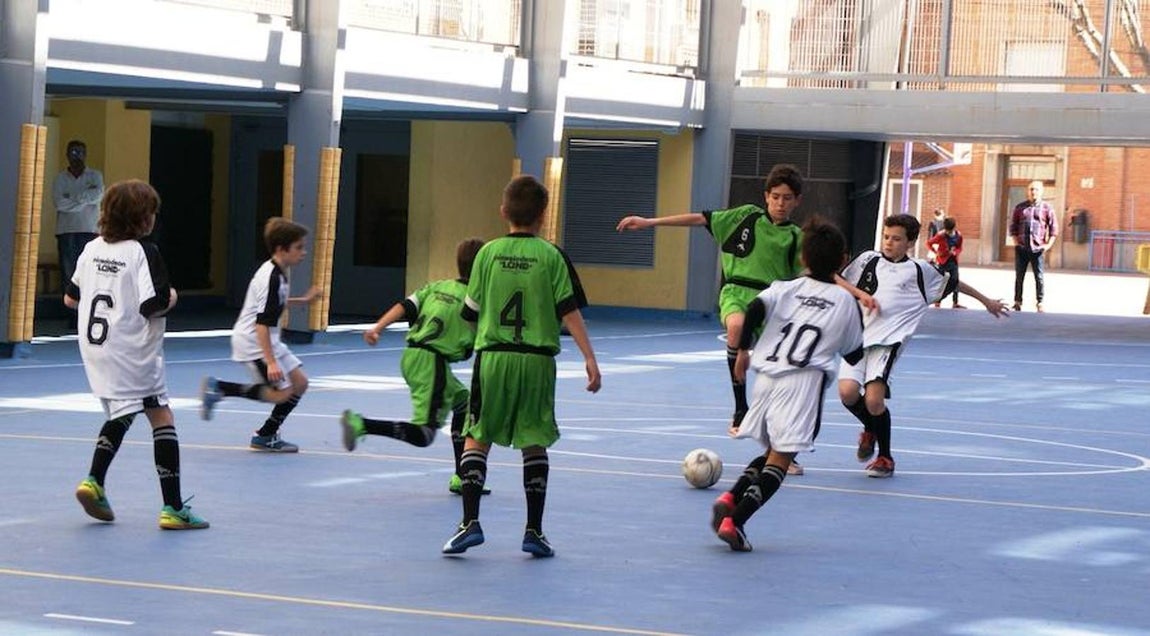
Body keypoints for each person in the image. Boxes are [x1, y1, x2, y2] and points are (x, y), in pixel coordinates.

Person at [616, 164, 873, 475]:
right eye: (775, 196)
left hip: (773, 304)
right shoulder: (745, 217)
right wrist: (650, 222)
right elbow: (700, 219)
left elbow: (824, 272)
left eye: (787, 198)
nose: (780, 203)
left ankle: (781, 452)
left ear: (797, 201)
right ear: (766, 196)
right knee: (737, 327)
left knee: (781, 381)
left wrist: (857, 293)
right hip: (737, 292)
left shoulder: (795, 237)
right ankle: (740, 408)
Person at [441, 175, 601, 558]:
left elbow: (470, 313)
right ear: (544, 215)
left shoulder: (487, 254)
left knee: (477, 436)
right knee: (535, 440)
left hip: (494, 358)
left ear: (503, 211)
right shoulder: (552, 256)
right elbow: (569, 311)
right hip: (537, 362)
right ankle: (534, 531)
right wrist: (589, 358)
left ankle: (469, 523)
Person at [709, 219, 865, 552]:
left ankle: (730, 496)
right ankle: (736, 521)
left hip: (766, 378)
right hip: (802, 383)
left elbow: (754, 308)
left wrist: (743, 351)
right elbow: (854, 353)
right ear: (843, 261)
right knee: (782, 458)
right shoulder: (844, 301)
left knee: (770, 452)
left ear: (803, 258)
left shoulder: (784, 287)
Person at [66, 179, 208, 530]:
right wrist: (173, 296)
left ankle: (94, 481)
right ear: (143, 218)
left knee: (125, 411)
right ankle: (173, 507)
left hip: (98, 350)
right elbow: (153, 305)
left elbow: (71, 298)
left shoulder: (91, 248)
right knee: (162, 416)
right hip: (133, 353)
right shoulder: (144, 252)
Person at [840, 214, 1007, 479]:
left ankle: (885, 457)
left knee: (873, 400)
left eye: (896, 239)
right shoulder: (866, 260)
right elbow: (838, 280)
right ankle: (871, 428)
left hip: (888, 343)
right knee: (848, 393)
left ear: (910, 242)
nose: (889, 242)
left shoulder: (920, 271)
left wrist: (986, 301)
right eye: (886, 237)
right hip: (857, 338)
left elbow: (954, 282)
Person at [341, 237, 492, 496]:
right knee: (424, 434)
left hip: (413, 356)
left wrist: (378, 327)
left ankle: (462, 476)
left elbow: (404, 306)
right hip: (432, 363)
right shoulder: (476, 300)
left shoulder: (437, 287)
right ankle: (362, 424)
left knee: (463, 404)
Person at [200, 217, 320, 452]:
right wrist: (271, 362)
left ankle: (266, 435)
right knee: (280, 394)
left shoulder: (280, 271)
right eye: (298, 247)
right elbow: (261, 324)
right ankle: (221, 388)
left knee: (300, 383)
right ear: (281, 249)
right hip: (254, 341)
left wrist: (303, 300)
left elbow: (274, 304)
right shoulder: (271, 278)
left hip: (268, 340)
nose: (303, 253)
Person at [53, 140, 104, 328]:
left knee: (90, 273)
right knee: (69, 274)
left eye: (81, 152)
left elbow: (98, 196)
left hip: (90, 231)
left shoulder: (95, 176)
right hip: (66, 232)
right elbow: (59, 203)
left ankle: (88, 313)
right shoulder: (60, 179)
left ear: (86, 154)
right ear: (67, 154)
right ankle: (72, 315)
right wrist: (84, 200)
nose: (77, 156)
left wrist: (73, 199)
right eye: (73, 152)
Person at [1009, 181, 1059, 312]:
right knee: (1019, 276)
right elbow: (1013, 227)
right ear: (1028, 191)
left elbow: (1054, 229)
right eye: (1031, 189)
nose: (1033, 192)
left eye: (1036, 189)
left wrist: (1048, 245)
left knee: (1039, 277)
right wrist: (1016, 243)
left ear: (1041, 191)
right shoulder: (1020, 208)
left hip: (1038, 249)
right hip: (1022, 248)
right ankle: (1017, 302)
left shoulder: (1047, 208)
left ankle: (1040, 302)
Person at [927, 217, 964, 308]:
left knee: (955, 280)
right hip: (943, 261)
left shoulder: (958, 236)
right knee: (942, 281)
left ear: (954, 227)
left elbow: (959, 247)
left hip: (953, 261)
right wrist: (935, 252)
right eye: (947, 230)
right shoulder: (940, 236)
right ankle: (938, 301)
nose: (948, 232)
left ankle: (955, 302)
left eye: (950, 231)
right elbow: (929, 243)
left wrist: (955, 252)